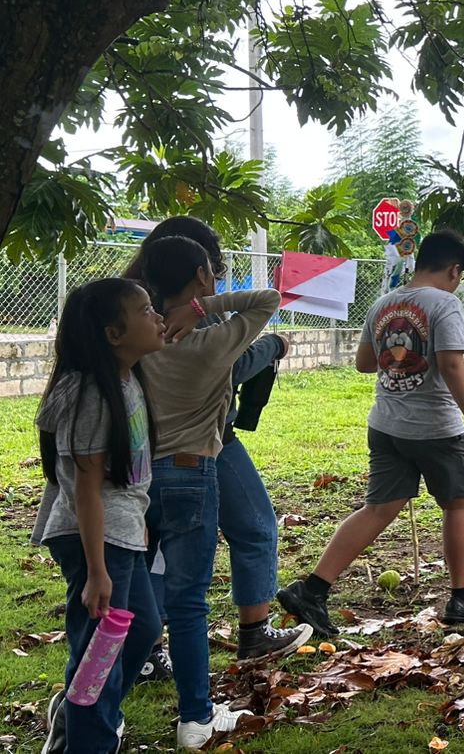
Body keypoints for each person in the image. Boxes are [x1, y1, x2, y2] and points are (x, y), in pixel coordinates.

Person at [277, 231, 464, 638]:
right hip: (434, 428)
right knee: (458, 504)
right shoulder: (445, 302)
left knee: (378, 509)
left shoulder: (384, 303)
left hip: (386, 426)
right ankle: (463, 597)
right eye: (459, 275)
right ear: (454, 270)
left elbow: (364, 363)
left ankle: (313, 589)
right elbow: (450, 366)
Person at [122, 217, 309, 680]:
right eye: (213, 266)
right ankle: (236, 648)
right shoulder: (188, 316)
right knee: (221, 552)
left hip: (141, 451)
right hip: (202, 448)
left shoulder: (129, 309)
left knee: (151, 552)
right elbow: (239, 352)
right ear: (202, 271)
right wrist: (271, 344)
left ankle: (147, 651)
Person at [139, 237, 281, 748]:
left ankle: (93, 697)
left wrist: (173, 308)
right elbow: (267, 300)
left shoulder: (142, 338)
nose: (217, 279)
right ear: (201, 276)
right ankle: (196, 719)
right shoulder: (211, 341)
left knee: (145, 575)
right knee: (190, 601)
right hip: (192, 474)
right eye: (212, 274)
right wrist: (203, 308)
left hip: (139, 478)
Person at [34, 279, 167, 754]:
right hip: (95, 538)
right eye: (147, 310)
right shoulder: (90, 391)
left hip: (122, 531)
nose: (157, 318)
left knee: (142, 631)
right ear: (114, 334)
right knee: (99, 656)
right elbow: (85, 490)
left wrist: (139, 519)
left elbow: (121, 476)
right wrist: (96, 571)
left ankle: (80, 715)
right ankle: (87, 737)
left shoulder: (127, 376)